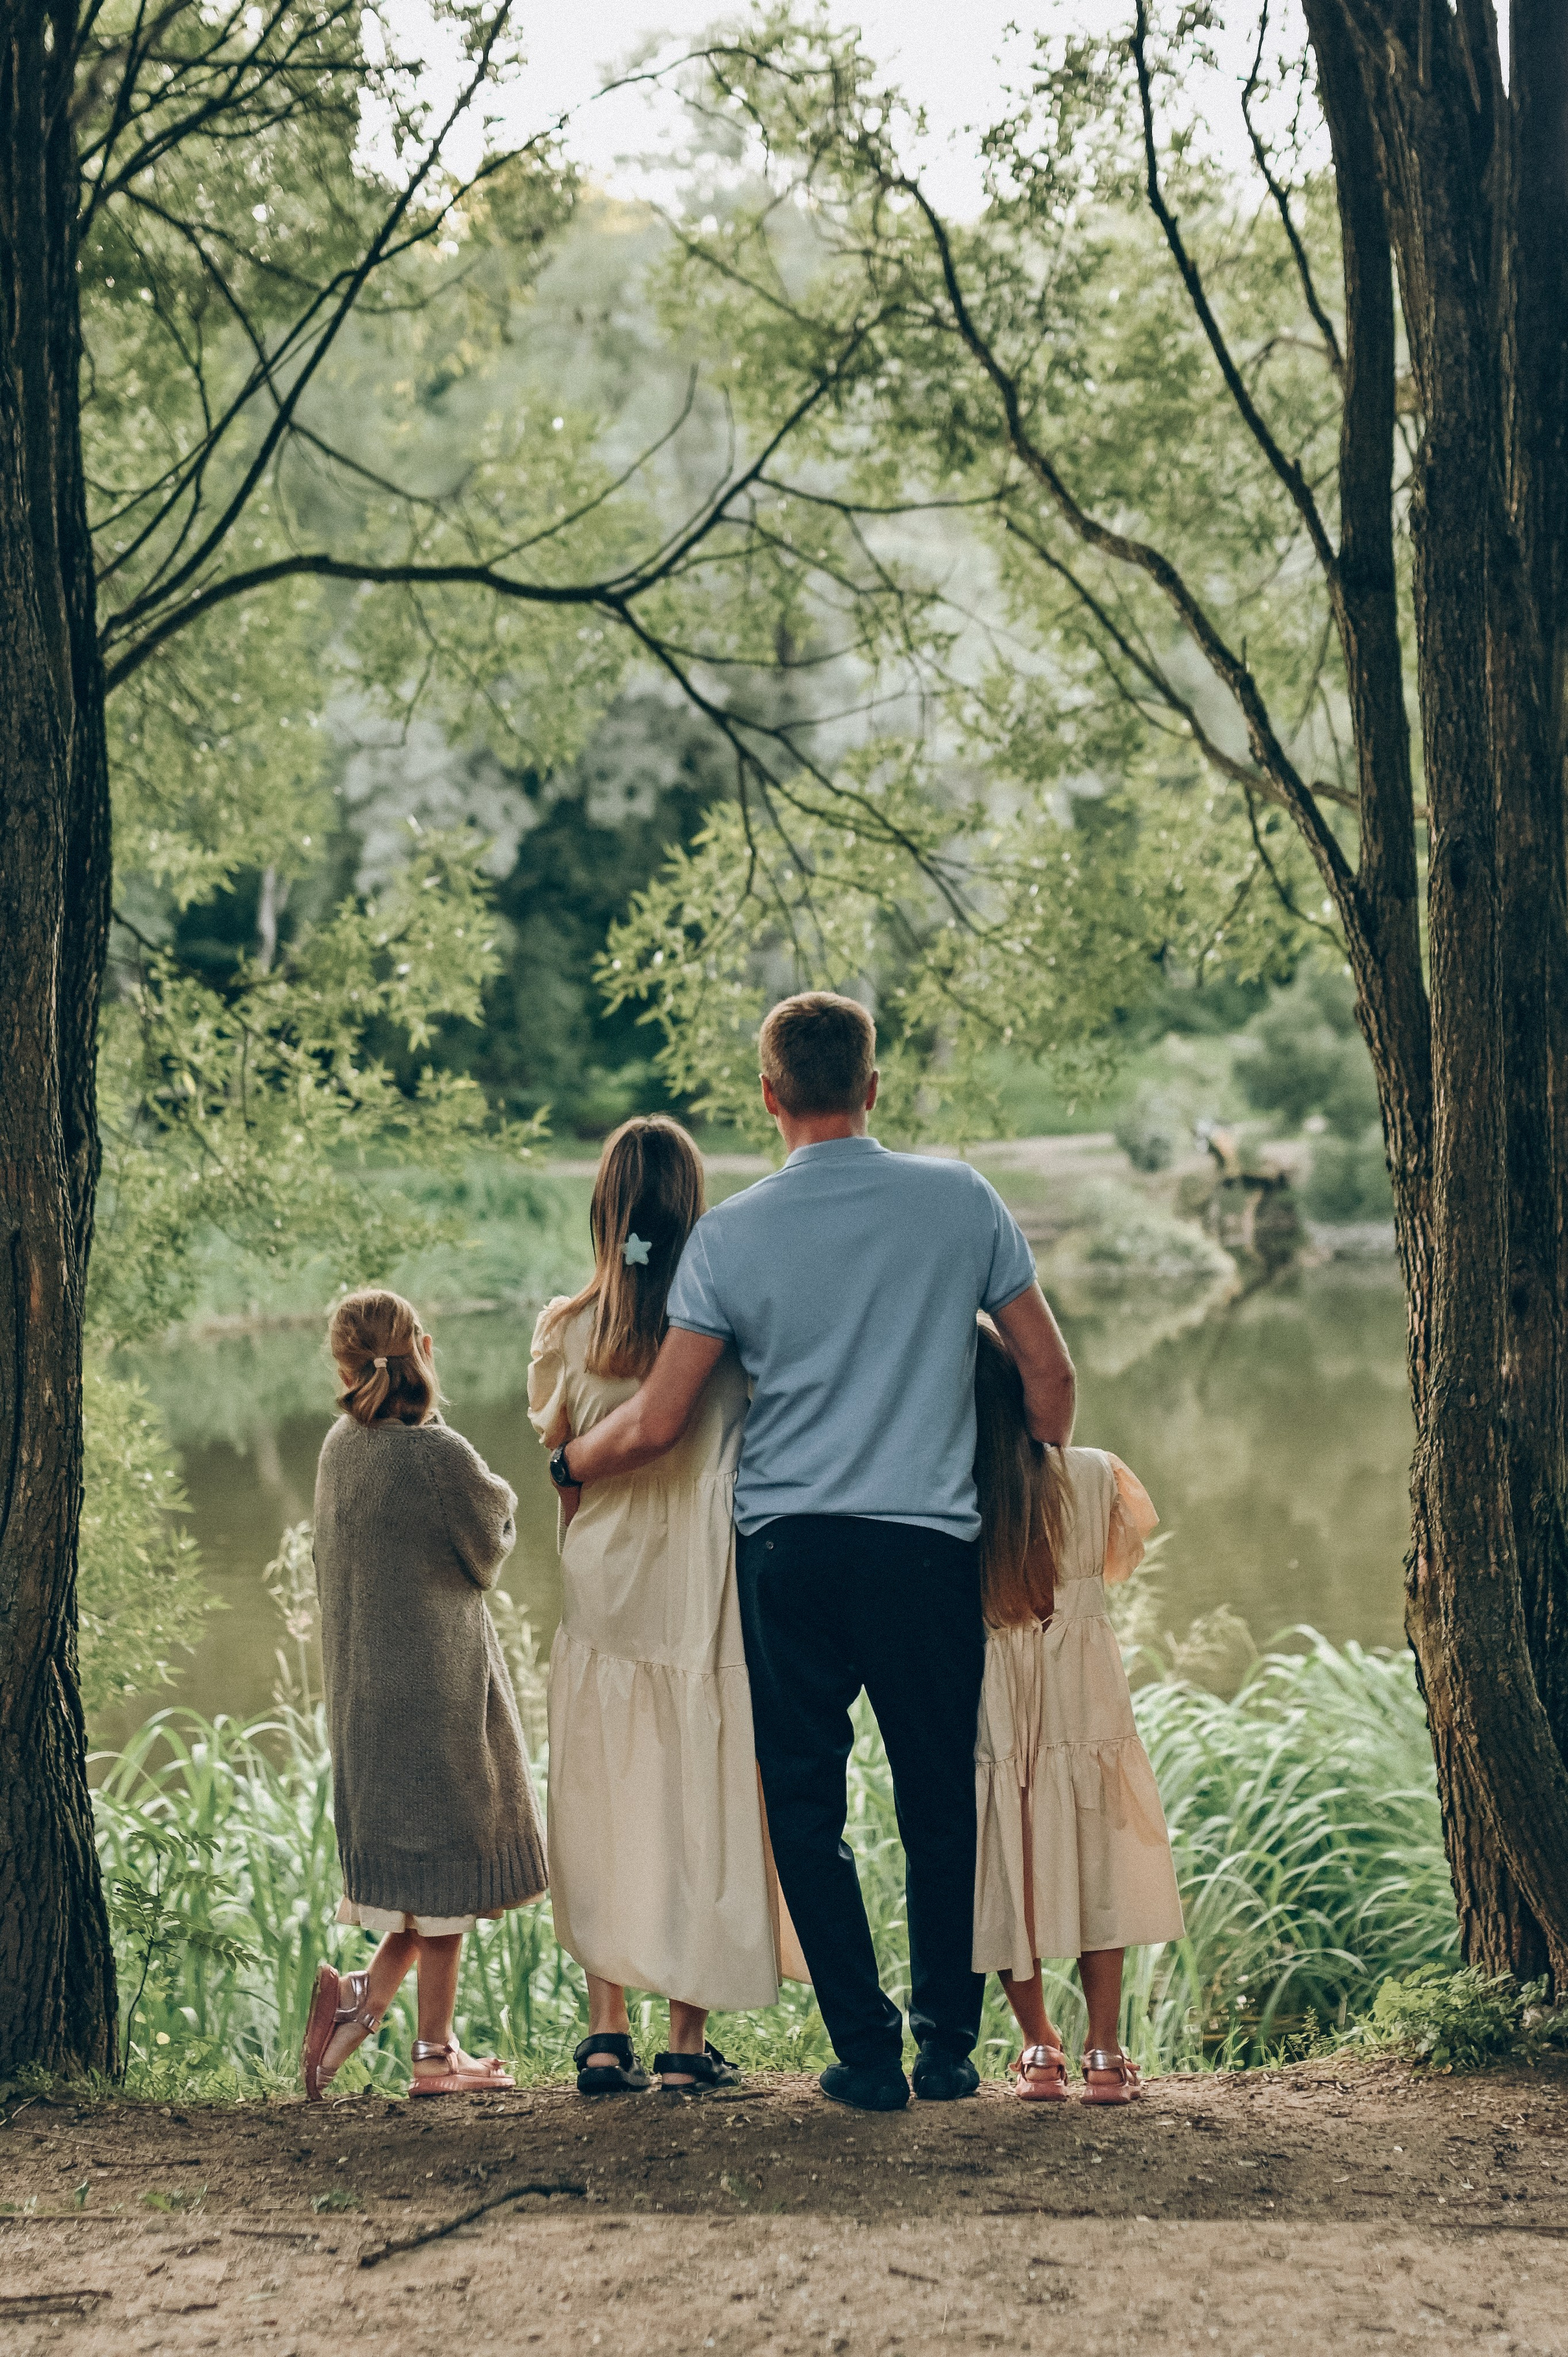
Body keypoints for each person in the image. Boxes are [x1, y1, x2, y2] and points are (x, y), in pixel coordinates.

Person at [546, 993, 1077, 2112]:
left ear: (769, 1095)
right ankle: (947, 2048)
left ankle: (867, 2052)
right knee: (939, 1799)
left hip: (790, 1553)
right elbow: (1051, 1379)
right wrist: (1029, 1469)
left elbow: (658, 1421)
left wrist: (568, 1462)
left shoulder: (731, 1235)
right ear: (872, 1085)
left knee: (805, 1805)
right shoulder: (962, 1199)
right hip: (928, 1549)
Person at [528, 1116, 782, 2095]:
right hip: (700, 1586)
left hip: (606, 1587)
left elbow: (567, 1480)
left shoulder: (565, 1328)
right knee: (697, 1791)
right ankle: (685, 2040)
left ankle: (605, 2031)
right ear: (693, 1208)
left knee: (604, 1791)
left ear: (606, 1207)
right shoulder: (728, 1327)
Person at [300, 1288, 547, 2100]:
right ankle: (434, 2056)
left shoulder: (339, 1448)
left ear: (344, 1368)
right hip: (435, 1701)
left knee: (418, 1888)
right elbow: (492, 1538)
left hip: (366, 1704)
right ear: (425, 1350)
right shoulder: (435, 1454)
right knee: (443, 1887)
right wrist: (435, 1419)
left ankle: (358, 2007)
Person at [970, 1320, 1185, 2102]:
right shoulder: (1096, 1475)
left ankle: (1038, 2050)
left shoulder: (952, 1492)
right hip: (1086, 1697)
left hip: (1000, 1701)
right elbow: (1114, 1565)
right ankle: (1103, 2053)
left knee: (1007, 1858)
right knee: (1099, 1857)